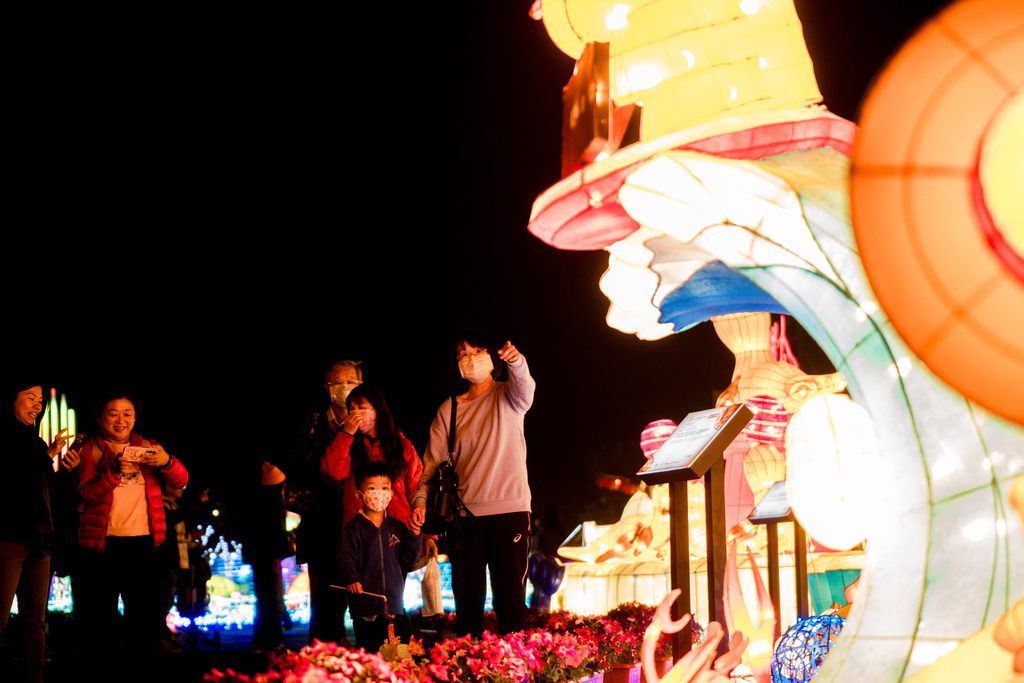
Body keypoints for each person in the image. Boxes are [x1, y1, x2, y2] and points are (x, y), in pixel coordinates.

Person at [411, 331, 535, 638]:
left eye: (478, 351)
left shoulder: (509, 395)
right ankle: (470, 660)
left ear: (492, 358)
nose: (471, 358)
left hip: (510, 512)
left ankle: (516, 661)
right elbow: (431, 465)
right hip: (464, 518)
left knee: (510, 600)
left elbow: (526, 386)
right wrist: (420, 500)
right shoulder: (449, 409)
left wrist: (517, 361)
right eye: (463, 354)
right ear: (457, 363)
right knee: (467, 605)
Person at [71, 390, 189, 655]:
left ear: (135, 418)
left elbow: (181, 480)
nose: (120, 420)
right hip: (102, 546)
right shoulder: (89, 449)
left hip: (144, 544)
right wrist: (115, 472)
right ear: (99, 418)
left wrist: (166, 461)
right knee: (101, 620)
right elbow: (87, 492)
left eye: (127, 414)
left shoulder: (149, 446)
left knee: (141, 619)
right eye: (113, 414)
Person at [280, 360, 362, 645]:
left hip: (361, 520)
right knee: (325, 596)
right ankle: (325, 655)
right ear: (327, 388)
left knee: (363, 594)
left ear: (360, 385)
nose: (343, 387)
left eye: (350, 381)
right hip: (321, 520)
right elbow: (295, 466)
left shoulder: (370, 422)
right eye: (337, 382)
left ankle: (370, 658)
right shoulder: (312, 424)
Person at [1, 380, 76, 682]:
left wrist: (64, 465)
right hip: (8, 538)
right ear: (11, 399)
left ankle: (36, 677)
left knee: (35, 618)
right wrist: (46, 458)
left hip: (40, 539)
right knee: (0, 617)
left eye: (40, 400)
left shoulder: (38, 443)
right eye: (31, 397)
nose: (37, 404)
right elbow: (14, 481)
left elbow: (46, 490)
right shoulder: (5, 436)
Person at [338, 460, 423, 653]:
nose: (379, 493)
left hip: (395, 607)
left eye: (384, 488)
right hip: (365, 609)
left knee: (401, 655)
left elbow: (409, 561)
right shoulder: (353, 529)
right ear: (359, 495)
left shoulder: (398, 527)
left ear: (391, 493)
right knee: (371, 656)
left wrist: (416, 535)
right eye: (372, 488)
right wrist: (352, 579)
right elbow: (345, 559)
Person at [321, 384, 426, 532]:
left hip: (398, 530)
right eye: (351, 409)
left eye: (361, 407)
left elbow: (416, 487)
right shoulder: (347, 442)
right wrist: (346, 434)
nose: (356, 413)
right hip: (358, 532)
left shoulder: (401, 445)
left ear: (377, 410)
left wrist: (428, 536)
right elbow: (333, 472)